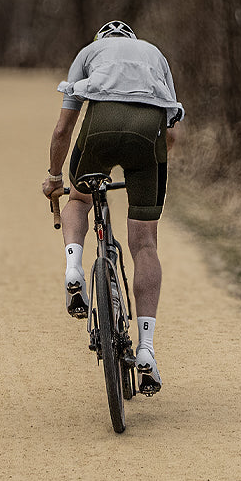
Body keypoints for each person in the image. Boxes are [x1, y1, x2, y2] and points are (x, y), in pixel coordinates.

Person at [41, 21, 184, 394]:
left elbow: (62, 130)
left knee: (79, 198)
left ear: (101, 41)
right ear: (132, 40)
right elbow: (172, 131)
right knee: (145, 244)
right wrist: (149, 165)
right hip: (148, 132)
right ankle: (147, 349)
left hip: (100, 127)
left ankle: (73, 267)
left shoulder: (89, 53)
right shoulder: (154, 54)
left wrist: (54, 177)